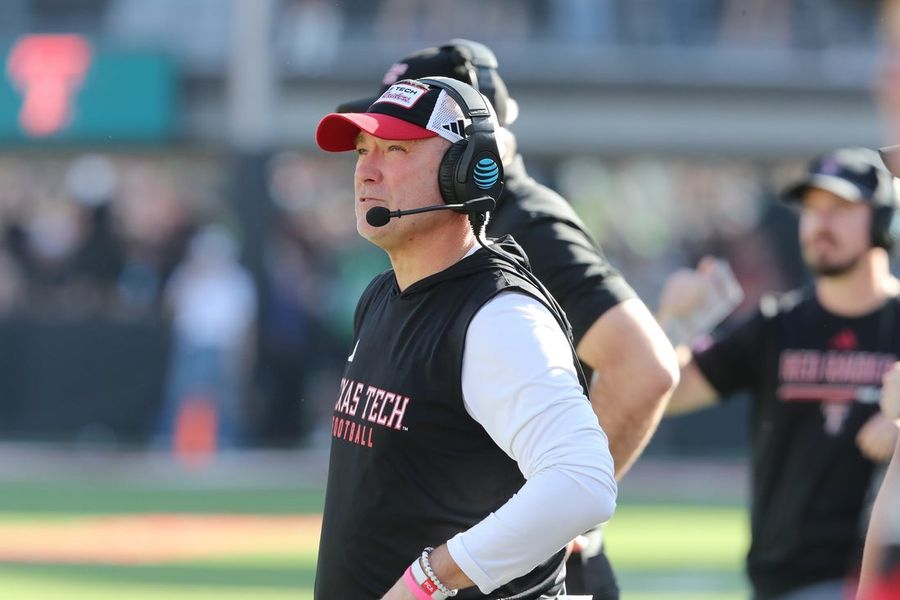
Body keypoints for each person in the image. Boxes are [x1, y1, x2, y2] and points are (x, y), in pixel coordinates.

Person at [337, 39, 679, 599]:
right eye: (363, 147)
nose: (367, 171)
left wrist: (541, 530)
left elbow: (639, 373)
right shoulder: (387, 290)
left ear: (465, 163)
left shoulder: (520, 245)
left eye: (395, 147)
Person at [657, 147, 900, 600]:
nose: (820, 224)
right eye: (812, 209)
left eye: (842, 209)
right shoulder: (777, 325)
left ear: (884, 221)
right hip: (784, 581)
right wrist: (675, 323)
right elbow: (666, 394)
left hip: (882, 578)